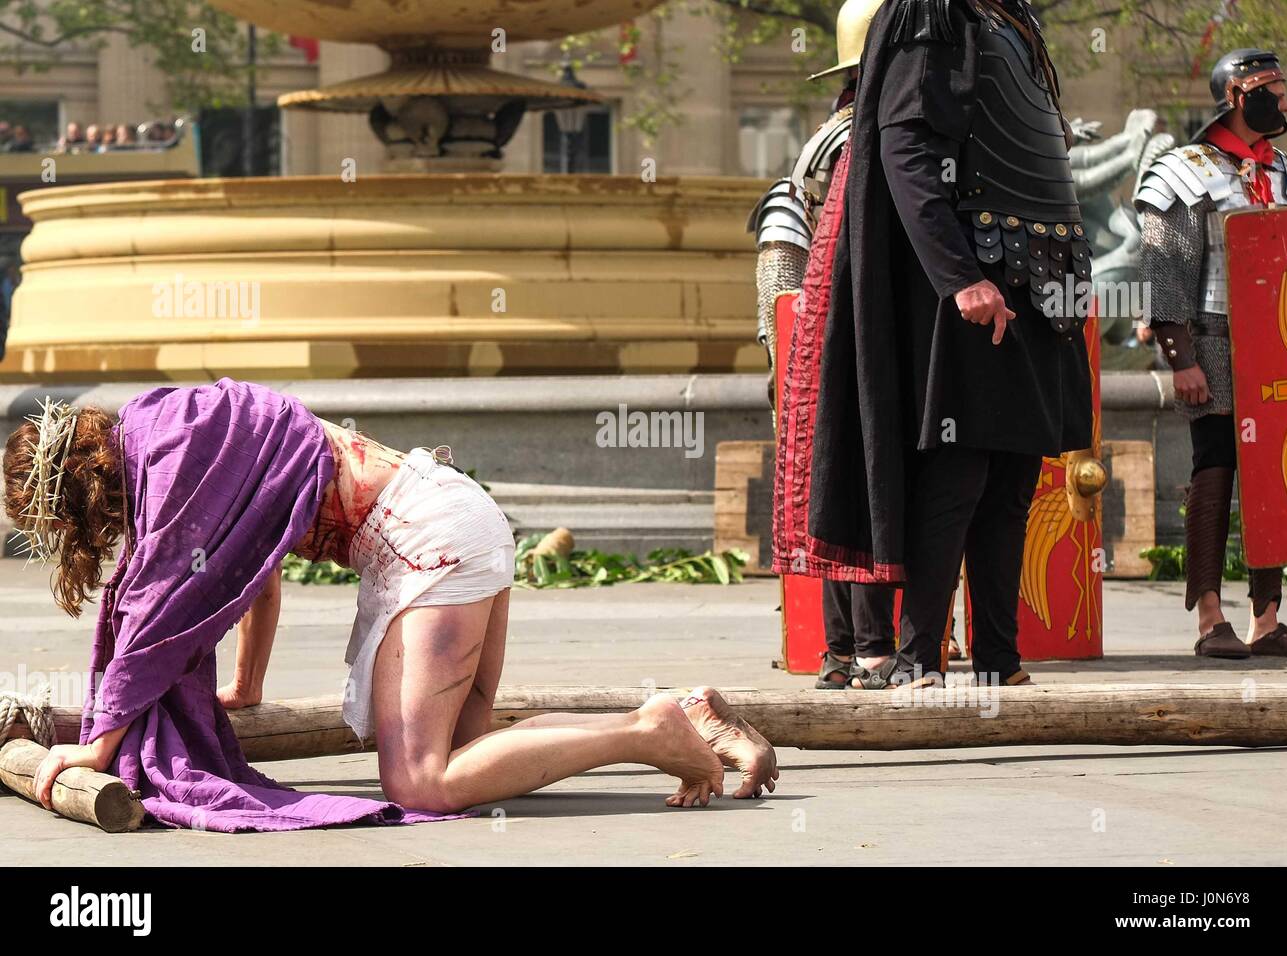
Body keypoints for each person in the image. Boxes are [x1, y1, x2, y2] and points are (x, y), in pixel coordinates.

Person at [3, 380, 777, 831]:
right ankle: (684, 712)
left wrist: (100, 743)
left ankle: (649, 733)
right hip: (448, 515)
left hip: (427, 541)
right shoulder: (175, 427)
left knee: (423, 784)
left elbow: (160, 611)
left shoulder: (170, 458)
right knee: (473, 751)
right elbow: (245, 573)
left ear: (76, 490)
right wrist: (249, 688)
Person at [772, 0, 1093, 689]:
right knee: (958, 476)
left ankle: (999, 661)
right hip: (975, 280)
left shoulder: (1009, 18)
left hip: (1034, 277)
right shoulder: (931, 11)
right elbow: (907, 151)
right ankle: (918, 657)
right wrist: (960, 278)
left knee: (1012, 481)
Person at [751, 0, 899, 689]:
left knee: (835, 492)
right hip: (847, 340)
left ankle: (843, 652)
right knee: (867, 492)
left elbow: (782, 262)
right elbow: (790, 260)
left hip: (821, 342)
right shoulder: (860, 144)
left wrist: (783, 354)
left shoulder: (827, 139)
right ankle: (867, 649)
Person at [1135, 48, 1287, 659]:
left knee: (1278, 472)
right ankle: (1210, 617)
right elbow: (1163, 269)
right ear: (1235, 96)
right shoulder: (1183, 170)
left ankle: (1268, 618)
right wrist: (1181, 357)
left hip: (1279, 348)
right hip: (1214, 340)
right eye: (1270, 89)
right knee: (1215, 465)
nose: (1282, 99)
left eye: (1283, 88)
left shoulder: (1286, 169)